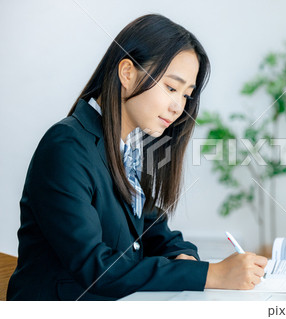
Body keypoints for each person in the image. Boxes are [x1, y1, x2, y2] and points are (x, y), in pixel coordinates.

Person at [7, 14, 267, 301]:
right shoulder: (66, 146)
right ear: (127, 73)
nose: (178, 107)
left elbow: (155, 233)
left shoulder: (127, 148)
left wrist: (184, 257)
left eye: (186, 95)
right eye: (171, 87)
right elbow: (97, 268)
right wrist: (211, 274)